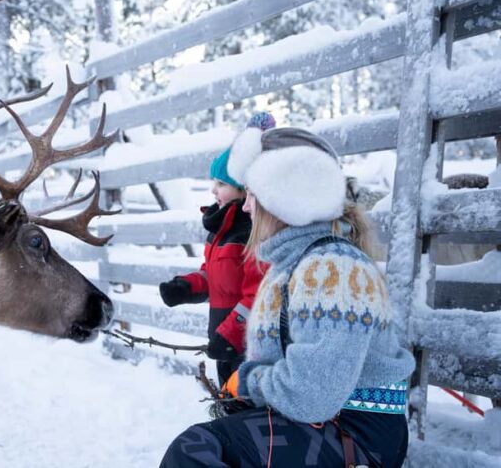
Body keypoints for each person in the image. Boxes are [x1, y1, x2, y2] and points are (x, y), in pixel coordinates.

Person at [161, 126, 415, 468]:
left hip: (359, 435)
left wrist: (248, 382)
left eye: (252, 195)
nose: (246, 207)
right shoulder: (293, 266)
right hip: (328, 425)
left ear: (284, 196)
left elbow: (313, 395)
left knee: (197, 450)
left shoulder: (332, 270)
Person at [158, 112, 275, 387]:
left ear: (245, 190)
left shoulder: (252, 232)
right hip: (225, 342)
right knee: (227, 401)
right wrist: (186, 287)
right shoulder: (221, 231)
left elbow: (257, 296)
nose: (213, 190)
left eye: (221, 184)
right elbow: (215, 277)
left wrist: (230, 335)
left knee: (243, 407)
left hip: (248, 348)